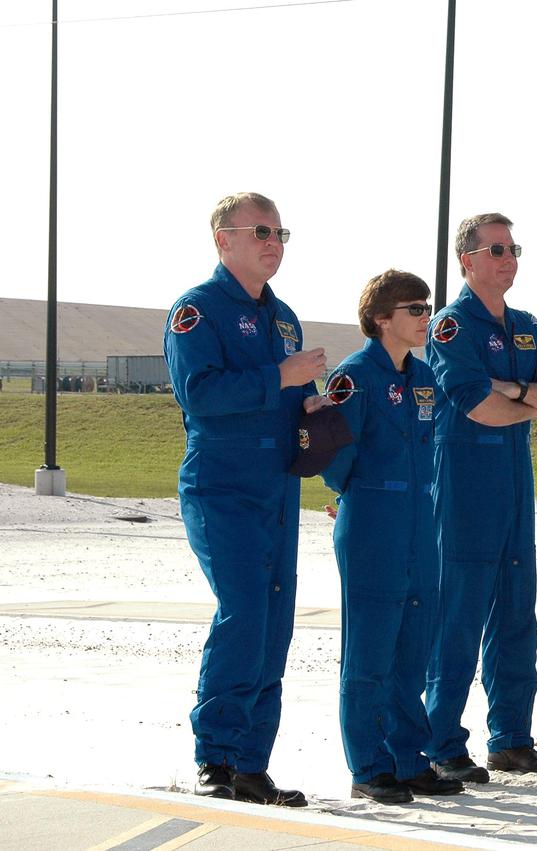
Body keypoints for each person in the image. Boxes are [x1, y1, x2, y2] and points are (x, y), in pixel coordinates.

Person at [164, 192, 327, 804]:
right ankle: (216, 758)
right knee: (243, 612)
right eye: (260, 231)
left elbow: (289, 397)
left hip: (278, 486)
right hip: (223, 485)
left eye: (279, 232)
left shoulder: (283, 317)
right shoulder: (196, 311)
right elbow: (198, 394)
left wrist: (310, 404)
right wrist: (278, 378)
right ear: (222, 239)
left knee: (275, 621)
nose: (273, 242)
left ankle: (253, 764)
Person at [425, 213, 537, 782]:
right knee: (459, 615)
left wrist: (513, 388)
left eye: (514, 248)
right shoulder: (451, 326)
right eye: (495, 249)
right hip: (465, 483)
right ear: (466, 260)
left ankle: (511, 737)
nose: (507, 258)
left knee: (517, 613)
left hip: (516, 483)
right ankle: (440, 741)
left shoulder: (526, 326)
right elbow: (476, 407)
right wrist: (524, 403)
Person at [317, 270, 466, 803]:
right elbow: (337, 459)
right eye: (414, 309)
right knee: (371, 647)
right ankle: (369, 764)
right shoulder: (353, 377)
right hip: (374, 515)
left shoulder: (424, 377)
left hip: (419, 516)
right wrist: (364, 496)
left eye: (427, 307)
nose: (425, 317)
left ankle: (409, 757)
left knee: (414, 642)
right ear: (381, 317)